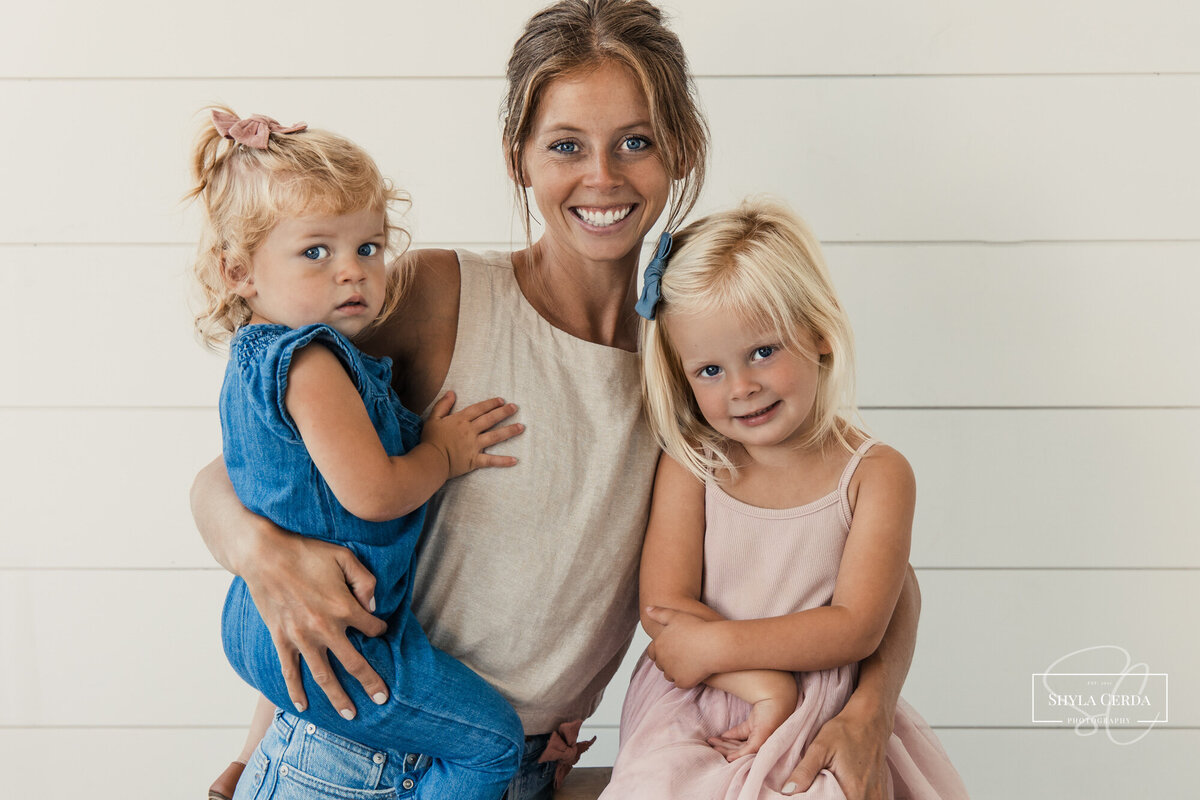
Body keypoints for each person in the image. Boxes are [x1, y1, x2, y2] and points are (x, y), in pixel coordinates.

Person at [192, 3, 924, 798]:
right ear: (519, 157)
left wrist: (870, 713)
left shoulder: (702, 369)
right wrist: (253, 552)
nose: (602, 177)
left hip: (514, 771)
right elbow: (256, 461)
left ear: (681, 152)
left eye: (636, 142)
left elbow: (865, 562)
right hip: (350, 755)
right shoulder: (439, 297)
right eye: (566, 145)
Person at [189, 108, 525, 800]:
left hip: (264, 615)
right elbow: (374, 495)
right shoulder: (309, 363)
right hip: (342, 646)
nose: (352, 272)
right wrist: (444, 450)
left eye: (369, 248)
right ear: (239, 271)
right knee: (494, 745)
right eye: (317, 252)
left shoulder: (254, 363)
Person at [599, 199, 968, 799]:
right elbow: (664, 610)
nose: (741, 387)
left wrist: (736, 654)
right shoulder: (695, 462)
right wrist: (762, 684)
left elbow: (856, 627)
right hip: (703, 696)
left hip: (824, 707)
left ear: (819, 332)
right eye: (709, 371)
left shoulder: (876, 474)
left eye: (763, 352)